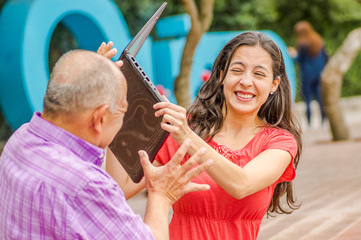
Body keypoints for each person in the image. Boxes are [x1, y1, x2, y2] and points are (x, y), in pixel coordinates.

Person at [103, 31, 302, 239]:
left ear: (274, 84)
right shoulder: (184, 127)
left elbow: (242, 184)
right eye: (237, 70)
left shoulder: (279, 142)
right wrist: (114, 101)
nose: (245, 81)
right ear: (222, 74)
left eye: (259, 74)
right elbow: (120, 188)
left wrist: (187, 137)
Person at [0, 49, 213, 240]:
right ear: (100, 118)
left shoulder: (21, 139)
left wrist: (91, 78)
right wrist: (162, 194)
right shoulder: (86, 186)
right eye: (124, 111)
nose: (124, 120)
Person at [288, 20, 327, 126]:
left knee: (307, 100)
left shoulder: (302, 44)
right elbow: (324, 57)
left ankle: (309, 123)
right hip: (319, 73)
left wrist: (292, 54)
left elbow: (299, 59)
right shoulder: (319, 40)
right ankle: (324, 121)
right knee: (320, 98)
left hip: (307, 75)